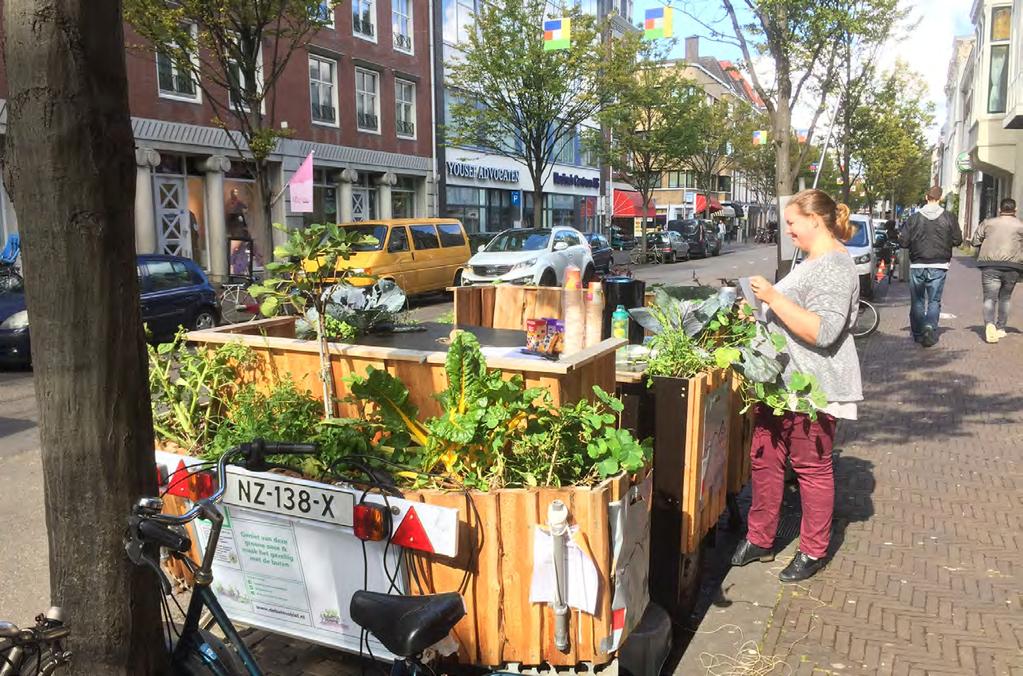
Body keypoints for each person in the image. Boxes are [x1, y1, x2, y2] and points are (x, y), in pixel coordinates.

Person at [732, 189, 863, 583]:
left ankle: (813, 548)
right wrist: (759, 310)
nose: (787, 230)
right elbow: (792, 314)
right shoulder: (810, 260)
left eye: (791, 223)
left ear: (815, 220)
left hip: (813, 387)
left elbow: (823, 331)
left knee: (811, 466)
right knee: (764, 456)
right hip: (779, 379)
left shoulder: (836, 266)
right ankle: (761, 537)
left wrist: (772, 296)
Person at [899, 186, 963, 347]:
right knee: (934, 300)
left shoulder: (913, 218)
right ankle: (929, 327)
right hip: (939, 265)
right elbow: (957, 240)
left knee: (917, 301)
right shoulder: (949, 217)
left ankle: (919, 334)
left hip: (918, 264)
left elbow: (904, 242)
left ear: (926, 197)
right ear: (940, 199)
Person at [972, 197, 1023, 343]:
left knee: (989, 297)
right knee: (1005, 298)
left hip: (990, 265)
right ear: (1015, 210)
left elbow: (976, 240)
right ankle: (1001, 328)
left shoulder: (988, 223)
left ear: (1000, 210)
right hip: (1013, 266)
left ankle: (989, 324)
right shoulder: (1020, 226)